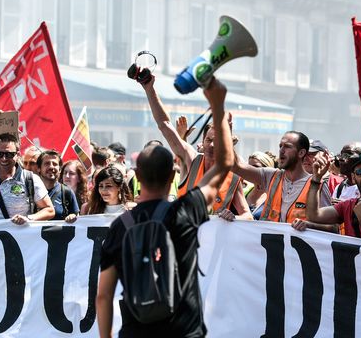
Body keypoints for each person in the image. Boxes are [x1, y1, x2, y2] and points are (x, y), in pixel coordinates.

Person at [97, 77, 233, 338]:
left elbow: (103, 296)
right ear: (173, 176)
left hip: (135, 331)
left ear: (136, 175)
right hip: (183, 331)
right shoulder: (185, 210)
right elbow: (225, 163)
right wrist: (217, 106)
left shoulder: (119, 226)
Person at [140, 75, 251, 221]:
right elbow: (164, 125)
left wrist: (234, 217)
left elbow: (248, 216)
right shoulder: (191, 159)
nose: (211, 145)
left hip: (212, 242)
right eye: (208, 140)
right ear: (202, 142)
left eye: (217, 141)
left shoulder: (233, 176)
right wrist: (149, 89)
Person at [232, 130, 335, 232]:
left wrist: (309, 225)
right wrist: (225, 132)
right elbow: (236, 166)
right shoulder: (271, 176)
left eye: (287, 146)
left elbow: (333, 229)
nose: (281, 150)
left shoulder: (317, 186)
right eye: (280, 146)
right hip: (270, 245)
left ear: (301, 153)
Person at [305, 153, 361, 240]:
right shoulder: (348, 205)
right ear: (353, 178)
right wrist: (316, 179)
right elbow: (313, 215)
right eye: (360, 172)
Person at [0, 131, 55, 223]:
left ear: (18, 155)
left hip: (19, 236)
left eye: (9, 154)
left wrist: (28, 218)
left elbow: (49, 210)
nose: (4, 159)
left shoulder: (30, 179)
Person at [37, 150, 79, 222]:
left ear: (60, 169)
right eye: (47, 163)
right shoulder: (31, 191)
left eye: (55, 164)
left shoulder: (67, 192)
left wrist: (73, 216)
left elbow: (77, 218)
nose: (51, 167)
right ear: (39, 169)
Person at [244, 151, 275, 220]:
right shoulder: (243, 191)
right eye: (249, 167)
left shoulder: (275, 195)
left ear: (267, 170)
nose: (250, 170)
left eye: (256, 167)